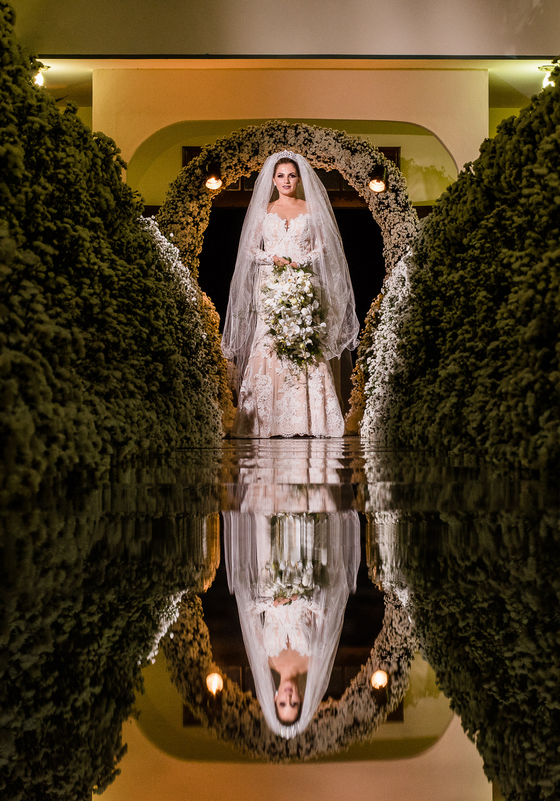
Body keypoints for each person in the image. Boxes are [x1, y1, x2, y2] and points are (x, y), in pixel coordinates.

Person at [222, 150, 359, 438]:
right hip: (269, 285)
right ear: (273, 180)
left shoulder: (311, 209)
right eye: (281, 176)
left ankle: (309, 420)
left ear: (299, 179)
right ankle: (264, 421)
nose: (286, 180)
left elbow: (324, 246)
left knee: (304, 340)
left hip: (303, 282)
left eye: (292, 175)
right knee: (268, 341)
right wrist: (271, 258)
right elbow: (249, 248)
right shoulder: (263, 211)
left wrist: (302, 262)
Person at [224, 500, 360, 738]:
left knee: (270, 519)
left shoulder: (265, 659)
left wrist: (272, 603)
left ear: (275, 698)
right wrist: (300, 598)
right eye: (294, 704)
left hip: (270, 575)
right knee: (302, 515)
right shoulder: (314, 660)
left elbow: (248, 613)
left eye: (282, 704)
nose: (288, 698)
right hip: (304, 575)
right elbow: (325, 613)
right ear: (301, 699)